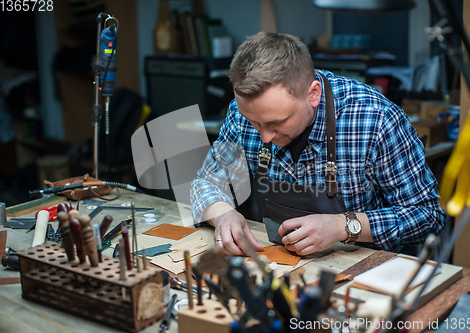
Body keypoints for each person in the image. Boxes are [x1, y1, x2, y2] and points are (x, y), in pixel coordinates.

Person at [190, 32, 446, 256]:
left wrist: (343, 227)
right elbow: (207, 182)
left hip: (364, 273)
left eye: (276, 122)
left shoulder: (376, 120)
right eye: (255, 122)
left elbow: (428, 216)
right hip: (280, 265)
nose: (264, 136)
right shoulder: (242, 113)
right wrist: (223, 213)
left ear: (313, 94)